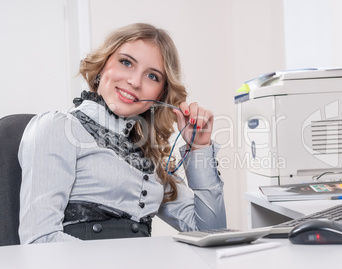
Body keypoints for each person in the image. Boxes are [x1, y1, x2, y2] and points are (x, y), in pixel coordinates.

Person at [18, 23, 226, 243]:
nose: (135, 82)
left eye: (152, 76)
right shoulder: (56, 127)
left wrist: (199, 147)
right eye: (126, 62)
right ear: (103, 64)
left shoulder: (149, 156)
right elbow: (39, 241)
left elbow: (211, 233)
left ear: (161, 93)